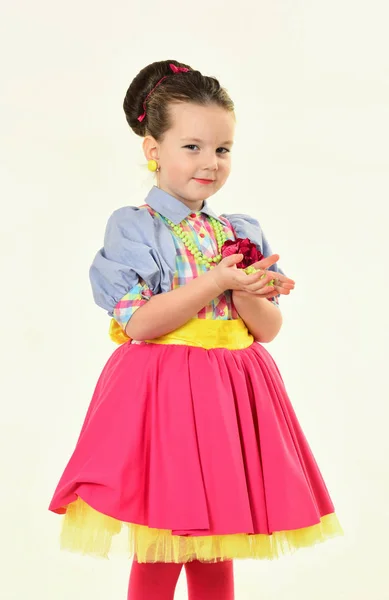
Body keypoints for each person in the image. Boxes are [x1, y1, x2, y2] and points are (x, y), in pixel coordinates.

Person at [48, 60, 344, 600]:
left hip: (232, 392)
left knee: (217, 541)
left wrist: (245, 289)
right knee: (164, 539)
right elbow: (139, 322)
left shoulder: (238, 231)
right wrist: (215, 282)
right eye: (192, 147)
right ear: (152, 149)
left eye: (222, 149)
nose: (210, 162)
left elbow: (268, 330)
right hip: (163, 393)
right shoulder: (135, 226)